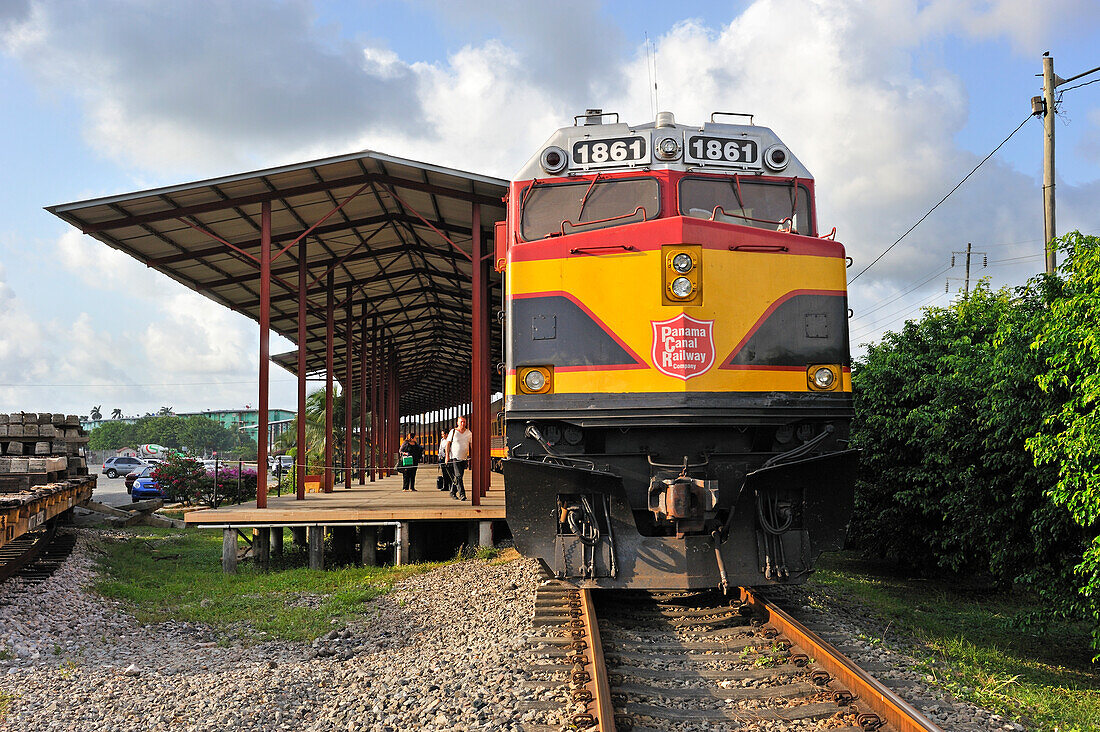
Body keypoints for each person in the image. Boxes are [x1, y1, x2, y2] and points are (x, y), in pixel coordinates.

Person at [442, 416, 472, 501]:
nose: (463, 423)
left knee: (458, 477)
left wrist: (474, 456)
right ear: (457, 423)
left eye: (464, 422)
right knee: (458, 476)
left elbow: (472, 444)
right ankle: (462, 494)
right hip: (455, 458)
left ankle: (452, 492)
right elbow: (448, 444)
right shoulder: (453, 432)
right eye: (461, 422)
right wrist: (447, 456)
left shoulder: (468, 433)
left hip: (464, 458)